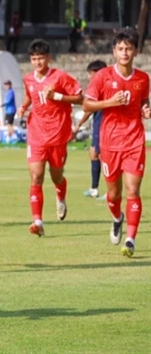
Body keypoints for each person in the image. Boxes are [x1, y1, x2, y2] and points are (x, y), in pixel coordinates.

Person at [82, 27, 150, 258]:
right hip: (109, 143)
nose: (124, 53)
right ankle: (117, 218)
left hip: (134, 141)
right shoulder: (103, 77)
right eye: (120, 49)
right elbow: (87, 105)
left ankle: (130, 239)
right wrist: (110, 102)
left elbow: (144, 101)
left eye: (128, 48)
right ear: (114, 51)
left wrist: (146, 108)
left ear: (136, 51)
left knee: (133, 190)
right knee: (113, 193)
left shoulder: (143, 78)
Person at [17, 39, 83, 237]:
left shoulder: (60, 77)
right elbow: (31, 95)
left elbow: (80, 98)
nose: (37, 62)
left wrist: (58, 97)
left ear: (48, 58)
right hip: (36, 134)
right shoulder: (28, 79)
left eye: (41, 58)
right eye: (34, 59)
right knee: (36, 176)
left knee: (57, 176)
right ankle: (37, 221)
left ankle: (60, 195)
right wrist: (23, 106)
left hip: (58, 135)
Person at [74, 60, 108, 199]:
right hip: (98, 124)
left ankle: (110, 190)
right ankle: (94, 188)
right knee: (93, 153)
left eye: (91, 74)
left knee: (102, 157)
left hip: (103, 125)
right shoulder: (99, 86)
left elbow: (88, 109)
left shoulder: (102, 87)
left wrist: (79, 124)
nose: (90, 77)